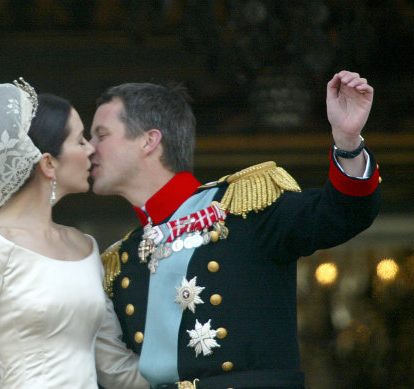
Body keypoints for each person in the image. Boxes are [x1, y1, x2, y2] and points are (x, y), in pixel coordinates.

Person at [90, 70, 381, 389]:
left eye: (101, 135)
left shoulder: (246, 205)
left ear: (149, 140)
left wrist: (348, 143)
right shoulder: (120, 262)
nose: (90, 149)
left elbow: (341, 214)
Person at [0, 79, 150, 389]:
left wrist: (198, 369)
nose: (92, 150)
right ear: (49, 163)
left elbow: (114, 367)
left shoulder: (85, 246)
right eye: (80, 140)